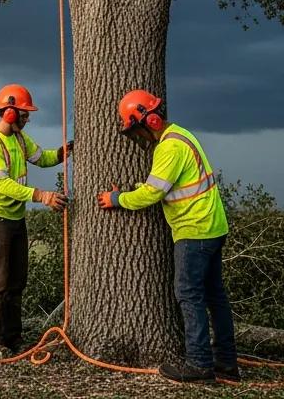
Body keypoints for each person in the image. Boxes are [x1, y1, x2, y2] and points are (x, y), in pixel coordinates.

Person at [97, 90, 238, 384]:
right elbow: (164, 184)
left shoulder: (168, 148)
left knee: (189, 295)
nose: (139, 136)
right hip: (213, 227)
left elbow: (153, 192)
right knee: (215, 297)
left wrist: (118, 198)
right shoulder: (181, 135)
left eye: (137, 128)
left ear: (151, 120)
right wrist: (136, 189)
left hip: (194, 230)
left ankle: (200, 365)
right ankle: (226, 363)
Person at [0, 83, 72, 359]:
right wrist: (42, 195)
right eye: (24, 114)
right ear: (8, 113)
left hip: (15, 218)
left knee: (17, 282)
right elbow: (2, 184)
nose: (27, 119)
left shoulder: (19, 139)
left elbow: (43, 158)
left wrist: (66, 151)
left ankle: (13, 339)